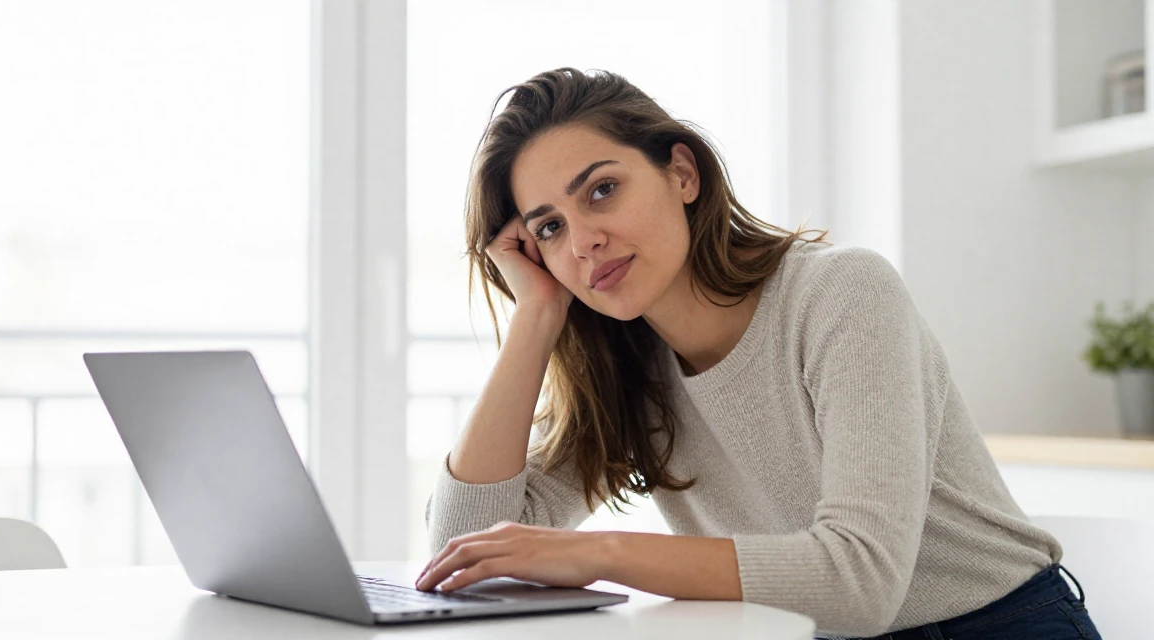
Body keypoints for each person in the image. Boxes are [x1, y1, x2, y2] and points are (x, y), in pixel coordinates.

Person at [414, 67, 1101, 640]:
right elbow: (463, 551)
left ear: (682, 173)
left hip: (998, 627)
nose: (583, 241)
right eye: (549, 228)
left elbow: (861, 582)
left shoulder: (842, 293)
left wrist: (597, 554)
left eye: (602, 190)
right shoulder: (627, 366)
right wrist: (536, 317)